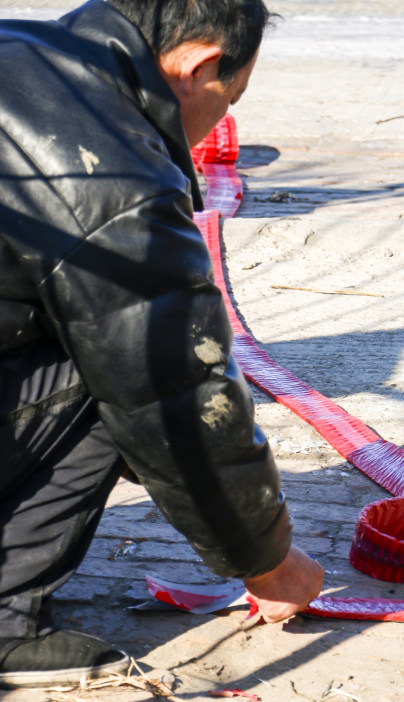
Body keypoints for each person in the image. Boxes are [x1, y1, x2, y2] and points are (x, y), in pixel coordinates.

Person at [0, 0, 323, 688]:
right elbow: (178, 397)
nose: (215, 126)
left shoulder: (16, 47)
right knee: (131, 359)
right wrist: (269, 562)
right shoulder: (111, 171)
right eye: (227, 100)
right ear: (199, 65)